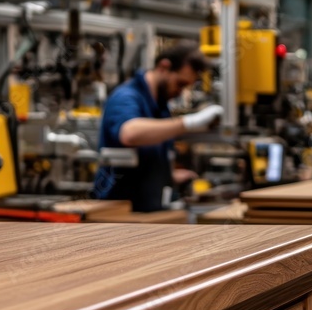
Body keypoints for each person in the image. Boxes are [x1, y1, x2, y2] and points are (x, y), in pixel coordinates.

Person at [93, 43, 222, 212]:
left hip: (148, 210)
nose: (180, 92)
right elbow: (129, 133)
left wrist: (169, 176)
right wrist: (189, 122)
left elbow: (151, 154)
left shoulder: (161, 106)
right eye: (180, 84)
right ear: (164, 67)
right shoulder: (126, 96)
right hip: (118, 213)